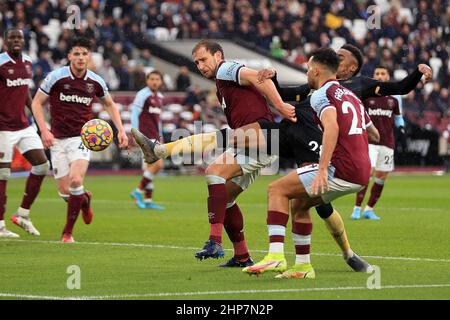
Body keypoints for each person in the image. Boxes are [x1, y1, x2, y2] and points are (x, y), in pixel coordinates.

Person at [132, 44, 432, 272]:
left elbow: (399, 88)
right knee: (285, 200)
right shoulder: (315, 87)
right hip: (293, 138)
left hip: (316, 145)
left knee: (313, 204)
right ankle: (278, 260)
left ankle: (346, 253)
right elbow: (289, 95)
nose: (332, 60)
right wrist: (270, 80)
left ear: (350, 68)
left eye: (340, 58)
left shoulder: (356, 87)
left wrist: (418, 72)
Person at [132, 39, 296, 267]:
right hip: (253, 143)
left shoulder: (226, 70)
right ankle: (242, 256)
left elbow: (257, 76)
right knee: (225, 200)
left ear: (218, 55)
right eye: (196, 62)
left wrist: (278, 105)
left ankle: (160, 151)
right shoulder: (221, 82)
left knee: (213, 170)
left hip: (262, 135)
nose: (200, 66)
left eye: (203, 59)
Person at [243, 47, 375, 278]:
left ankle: (275, 256)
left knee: (276, 189)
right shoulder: (351, 96)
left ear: (315, 70)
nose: (306, 75)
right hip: (362, 172)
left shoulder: (321, 94)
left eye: (307, 70)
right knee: (300, 205)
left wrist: (323, 168)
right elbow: (373, 135)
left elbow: (332, 125)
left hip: (341, 168)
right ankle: (303, 267)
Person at [31, 37, 128, 243]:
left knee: (76, 180)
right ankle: (84, 200)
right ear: (69, 57)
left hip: (82, 137)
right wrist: (44, 131)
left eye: (84, 54)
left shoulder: (95, 81)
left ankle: (67, 233)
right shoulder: (56, 77)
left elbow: (109, 104)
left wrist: (120, 130)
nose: (81, 57)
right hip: (56, 139)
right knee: (66, 193)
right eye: (77, 53)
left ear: (89, 56)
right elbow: (36, 103)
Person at [0, 28, 49, 238]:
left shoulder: (28, 62)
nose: (17, 40)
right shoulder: (0, 63)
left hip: (23, 125)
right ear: (5, 41)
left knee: (42, 165)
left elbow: (25, 93)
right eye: (12, 38)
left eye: (20, 37)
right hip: (2, 127)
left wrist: (38, 120)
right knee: (3, 174)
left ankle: (23, 214)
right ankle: (0, 225)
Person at [352, 66, 405, 220]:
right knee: (367, 173)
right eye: (377, 74)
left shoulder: (394, 98)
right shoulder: (366, 96)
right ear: (373, 76)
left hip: (387, 142)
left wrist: (401, 128)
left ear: (388, 77)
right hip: (370, 141)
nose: (380, 76)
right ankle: (356, 208)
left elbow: (398, 116)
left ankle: (368, 209)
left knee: (382, 176)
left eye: (383, 73)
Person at [130, 70, 165, 210]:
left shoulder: (160, 97)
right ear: (147, 80)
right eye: (152, 79)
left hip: (155, 136)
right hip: (145, 136)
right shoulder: (142, 95)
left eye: (157, 79)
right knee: (158, 165)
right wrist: (134, 133)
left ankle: (148, 199)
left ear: (161, 81)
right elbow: (134, 114)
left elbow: (159, 120)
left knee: (149, 167)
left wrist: (160, 136)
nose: (155, 81)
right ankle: (138, 191)